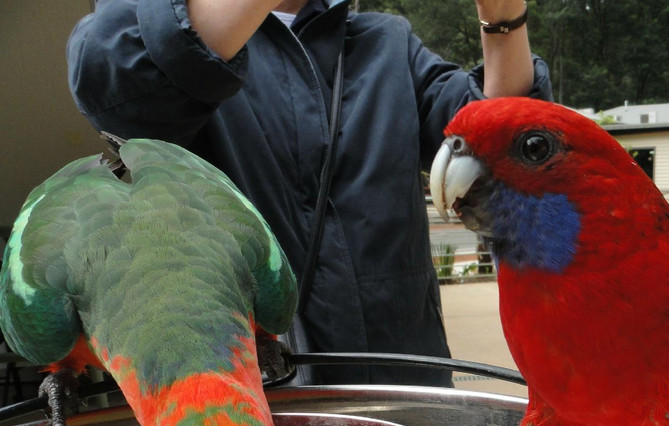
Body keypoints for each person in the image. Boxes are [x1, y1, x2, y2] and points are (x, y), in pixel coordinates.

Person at [67, 0, 552, 386]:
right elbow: (116, 90)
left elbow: (505, 152)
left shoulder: (388, 41)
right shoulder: (140, 20)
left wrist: (503, 14)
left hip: (404, 384)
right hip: (246, 402)